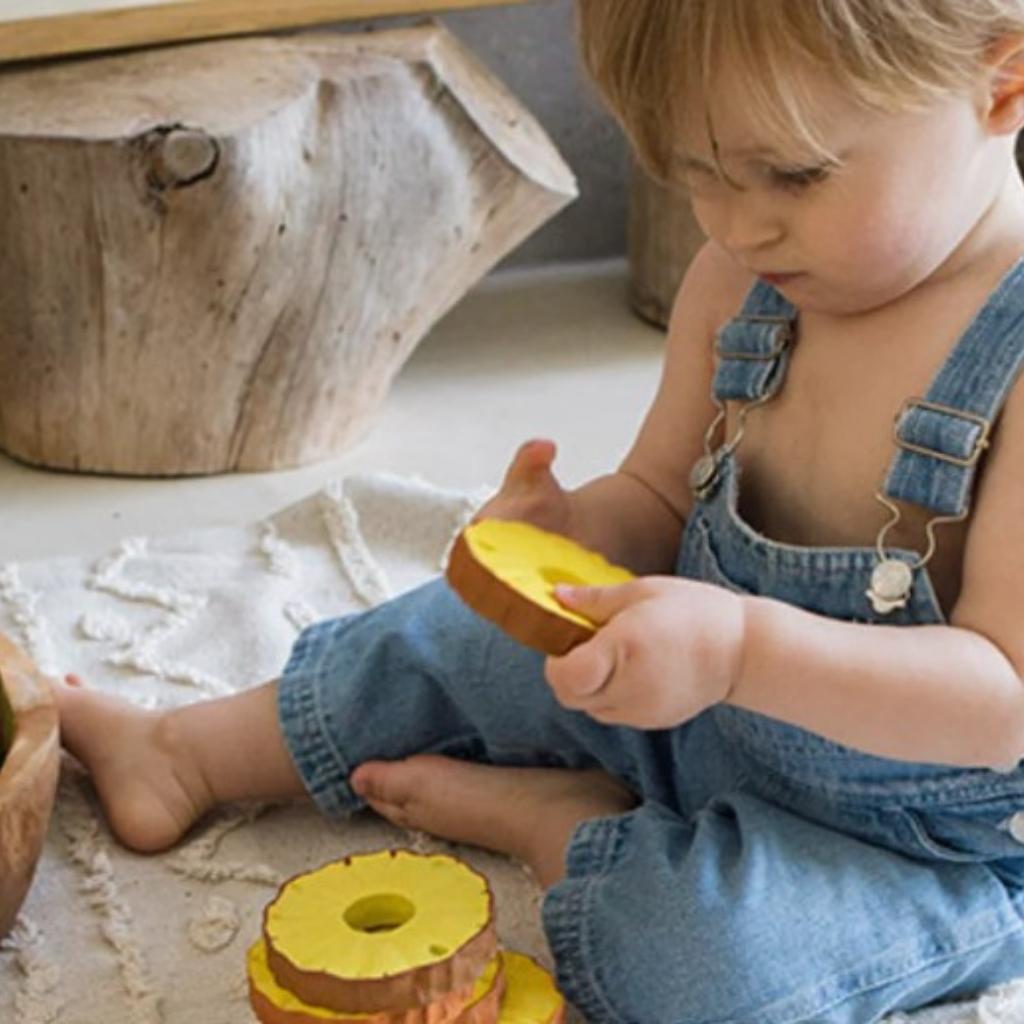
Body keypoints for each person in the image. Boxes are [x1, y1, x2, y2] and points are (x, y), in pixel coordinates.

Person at [56, 2, 1024, 1020]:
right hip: (691, 710)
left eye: (794, 174)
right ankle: (182, 752)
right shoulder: (745, 280)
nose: (738, 224)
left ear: (1000, 84)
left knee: (705, 966)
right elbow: (657, 496)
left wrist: (741, 648)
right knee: (454, 638)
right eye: (697, 172)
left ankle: (561, 829)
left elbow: (1001, 697)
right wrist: (575, 537)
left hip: (910, 844)